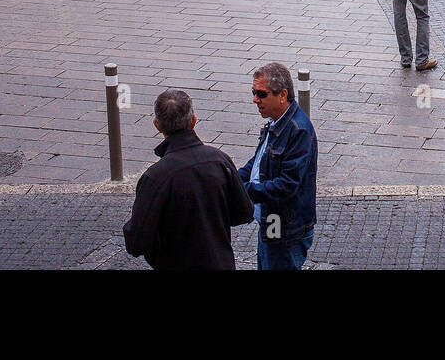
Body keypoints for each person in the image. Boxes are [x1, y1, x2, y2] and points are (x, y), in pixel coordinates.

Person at [123, 89, 253, 270]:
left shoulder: (156, 177)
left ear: (157, 125)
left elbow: (136, 242)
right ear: (193, 121)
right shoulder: (219, 160)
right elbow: (244, 212)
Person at [237, 63, 318, 271]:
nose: (255, 99)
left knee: (277, 261)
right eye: (254, 92)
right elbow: (258, 163)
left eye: (261, 94)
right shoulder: (277, 122)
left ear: (282, 95)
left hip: (284, 225)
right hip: (273, 220)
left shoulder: (297, 131)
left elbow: (286, 185)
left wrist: (243, 190)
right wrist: (232, 178)